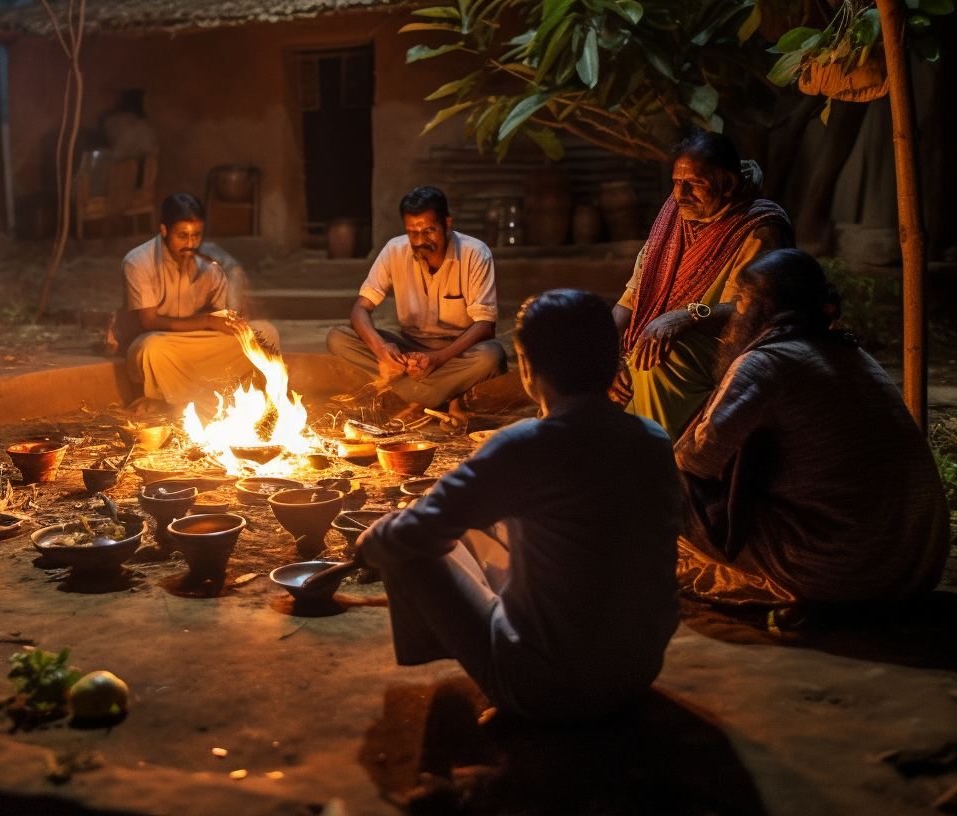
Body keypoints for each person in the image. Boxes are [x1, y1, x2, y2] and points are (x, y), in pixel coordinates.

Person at [318, 290, 684, 721]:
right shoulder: (653, 439)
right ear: (613, 359)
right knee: (473, 525)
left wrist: (371, 542)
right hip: (635, 674)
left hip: (546, 688)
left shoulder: (526, 444)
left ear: (527, 368)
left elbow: (415, 532)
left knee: (409, 545)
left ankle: (495, 676)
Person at [676, 249, 949, 606]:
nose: (733, 315)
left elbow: (694, 461)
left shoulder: (766, 362)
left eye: (741, 300)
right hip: (913, 566)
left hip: (841, 569)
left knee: (659, 479)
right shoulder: (852, 354)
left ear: (764, 308)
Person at [612, 131, 794, 437]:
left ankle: (662, 466)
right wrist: (606, 354)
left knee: (656, 359)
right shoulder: (672, 217)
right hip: (650, 336)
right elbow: (630, 298)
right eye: (676, 182)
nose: (679, 194)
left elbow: (748, 311)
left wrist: (686, 315)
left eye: (695, 184)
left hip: (724, 348)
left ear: (729, 184)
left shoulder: (757, 228)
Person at [326, 186, 505, 419]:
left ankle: (408, 395)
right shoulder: (394, 250)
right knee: (337, 338)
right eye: (413, 233)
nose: (421, 241)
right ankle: (440, 395)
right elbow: (360, 309)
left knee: (491, 355)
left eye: (429, 231)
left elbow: (485, 326)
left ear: (447, 224)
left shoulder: (475, 254)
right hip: (408, 354)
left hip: (457, 353)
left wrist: (437, 359)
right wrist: (381, 350)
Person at [122, 193, 281, 411]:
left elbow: (226, 297)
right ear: (164, 230)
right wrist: (207, 321)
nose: (190, 243)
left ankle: (217, 395)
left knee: (266, 333)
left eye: (196, 235)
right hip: (165, 344)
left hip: (201, 342)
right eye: (182, 235)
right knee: (151, 349)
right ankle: (178, 401)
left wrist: (233, 316)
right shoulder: (138, 261)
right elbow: (150, 321)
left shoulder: (209, 259)